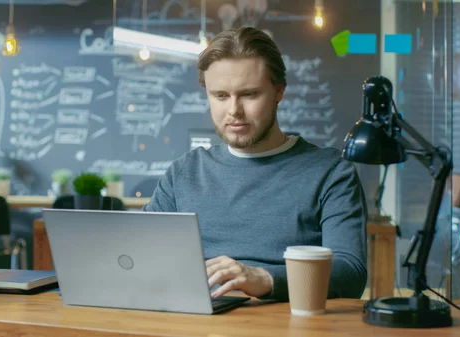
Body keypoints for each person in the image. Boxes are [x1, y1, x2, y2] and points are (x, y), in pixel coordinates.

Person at [143, 27, 367, 302]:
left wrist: (265, 278)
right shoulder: (183, 173)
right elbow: (139, 255)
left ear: (279, 91)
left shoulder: (329, 172)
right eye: (220, 96)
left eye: (249, 94)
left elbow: (351, 272)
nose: (234, 110)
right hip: (198, 323)